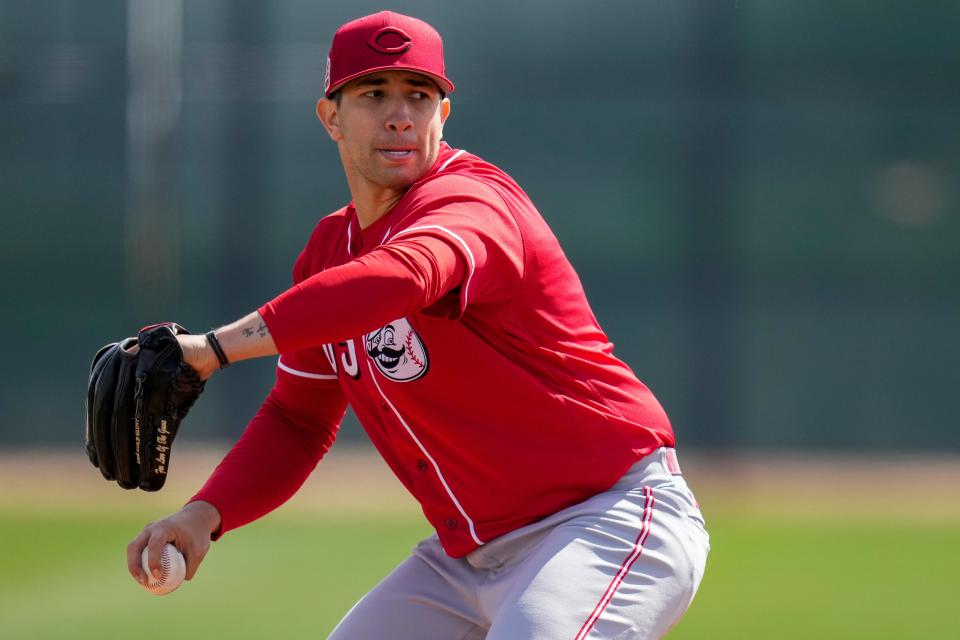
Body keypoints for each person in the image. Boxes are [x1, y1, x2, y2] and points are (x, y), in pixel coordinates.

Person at [126, 11, 709, 639]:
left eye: (419, 96)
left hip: (603, 517)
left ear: (442, 116)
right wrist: (202, 516)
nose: (399, 115)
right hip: (470, 558)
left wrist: (212, 350)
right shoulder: (329, 252)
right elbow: (297, 421)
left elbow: (405, 277)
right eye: (374, 94)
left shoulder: (472, 201)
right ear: (331, 117)